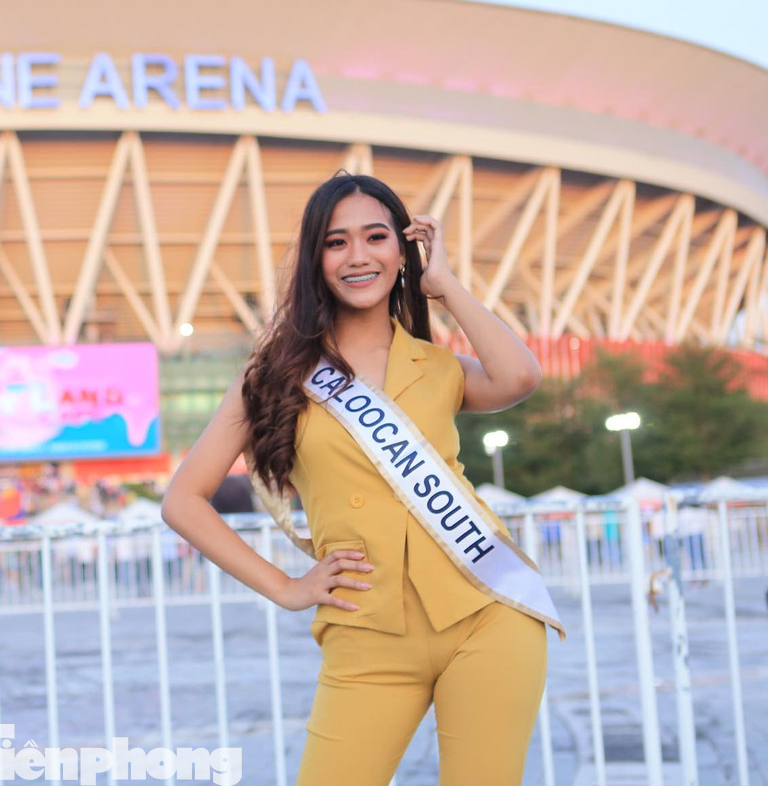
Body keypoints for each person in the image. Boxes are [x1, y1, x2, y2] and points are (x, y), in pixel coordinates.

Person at [162, 171, 560, 785]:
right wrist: (287, 587)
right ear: (315, 260)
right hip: (364, 631)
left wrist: (445, 285)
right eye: (336, 242)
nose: (357, 256)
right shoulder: (275, 376)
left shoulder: (436, 366)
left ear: (402, 252)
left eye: (376, 237)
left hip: (486, 613)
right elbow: (183, 500)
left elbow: (520, 378)